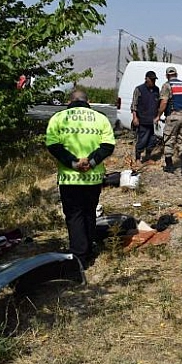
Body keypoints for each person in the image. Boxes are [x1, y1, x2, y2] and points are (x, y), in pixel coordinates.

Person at [45, 90, 116, 267]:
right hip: (93, 178)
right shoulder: (100, 118)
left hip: (70, 178)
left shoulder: (58, 117)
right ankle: (89, 249)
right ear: (89, 102)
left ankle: (79, 257)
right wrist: (90, 162)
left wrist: (74, 163)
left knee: (74, 215)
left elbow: (53, 145)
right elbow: (108, 146)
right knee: (89, 212)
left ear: (70, 101)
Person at [157, 66, 182, 176]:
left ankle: (169, 166)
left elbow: (164, 103)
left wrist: (158, 115)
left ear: (167, 75)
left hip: (173, 116)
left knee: (169, 139)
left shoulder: (167, 85)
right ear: (176, 74)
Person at [131, 71, 160, 164]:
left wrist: (158, 116)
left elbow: (158, 104)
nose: (153, 81)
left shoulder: (156, 90)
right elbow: (134, 105)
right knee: (142, 140)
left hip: (152, 121)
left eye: (154, 80)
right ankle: (138, 158)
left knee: (152, 141)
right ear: (146, 79)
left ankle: (148, 156)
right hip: (142, 120)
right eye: (151, 80)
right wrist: (135, 118)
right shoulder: (139, 89)